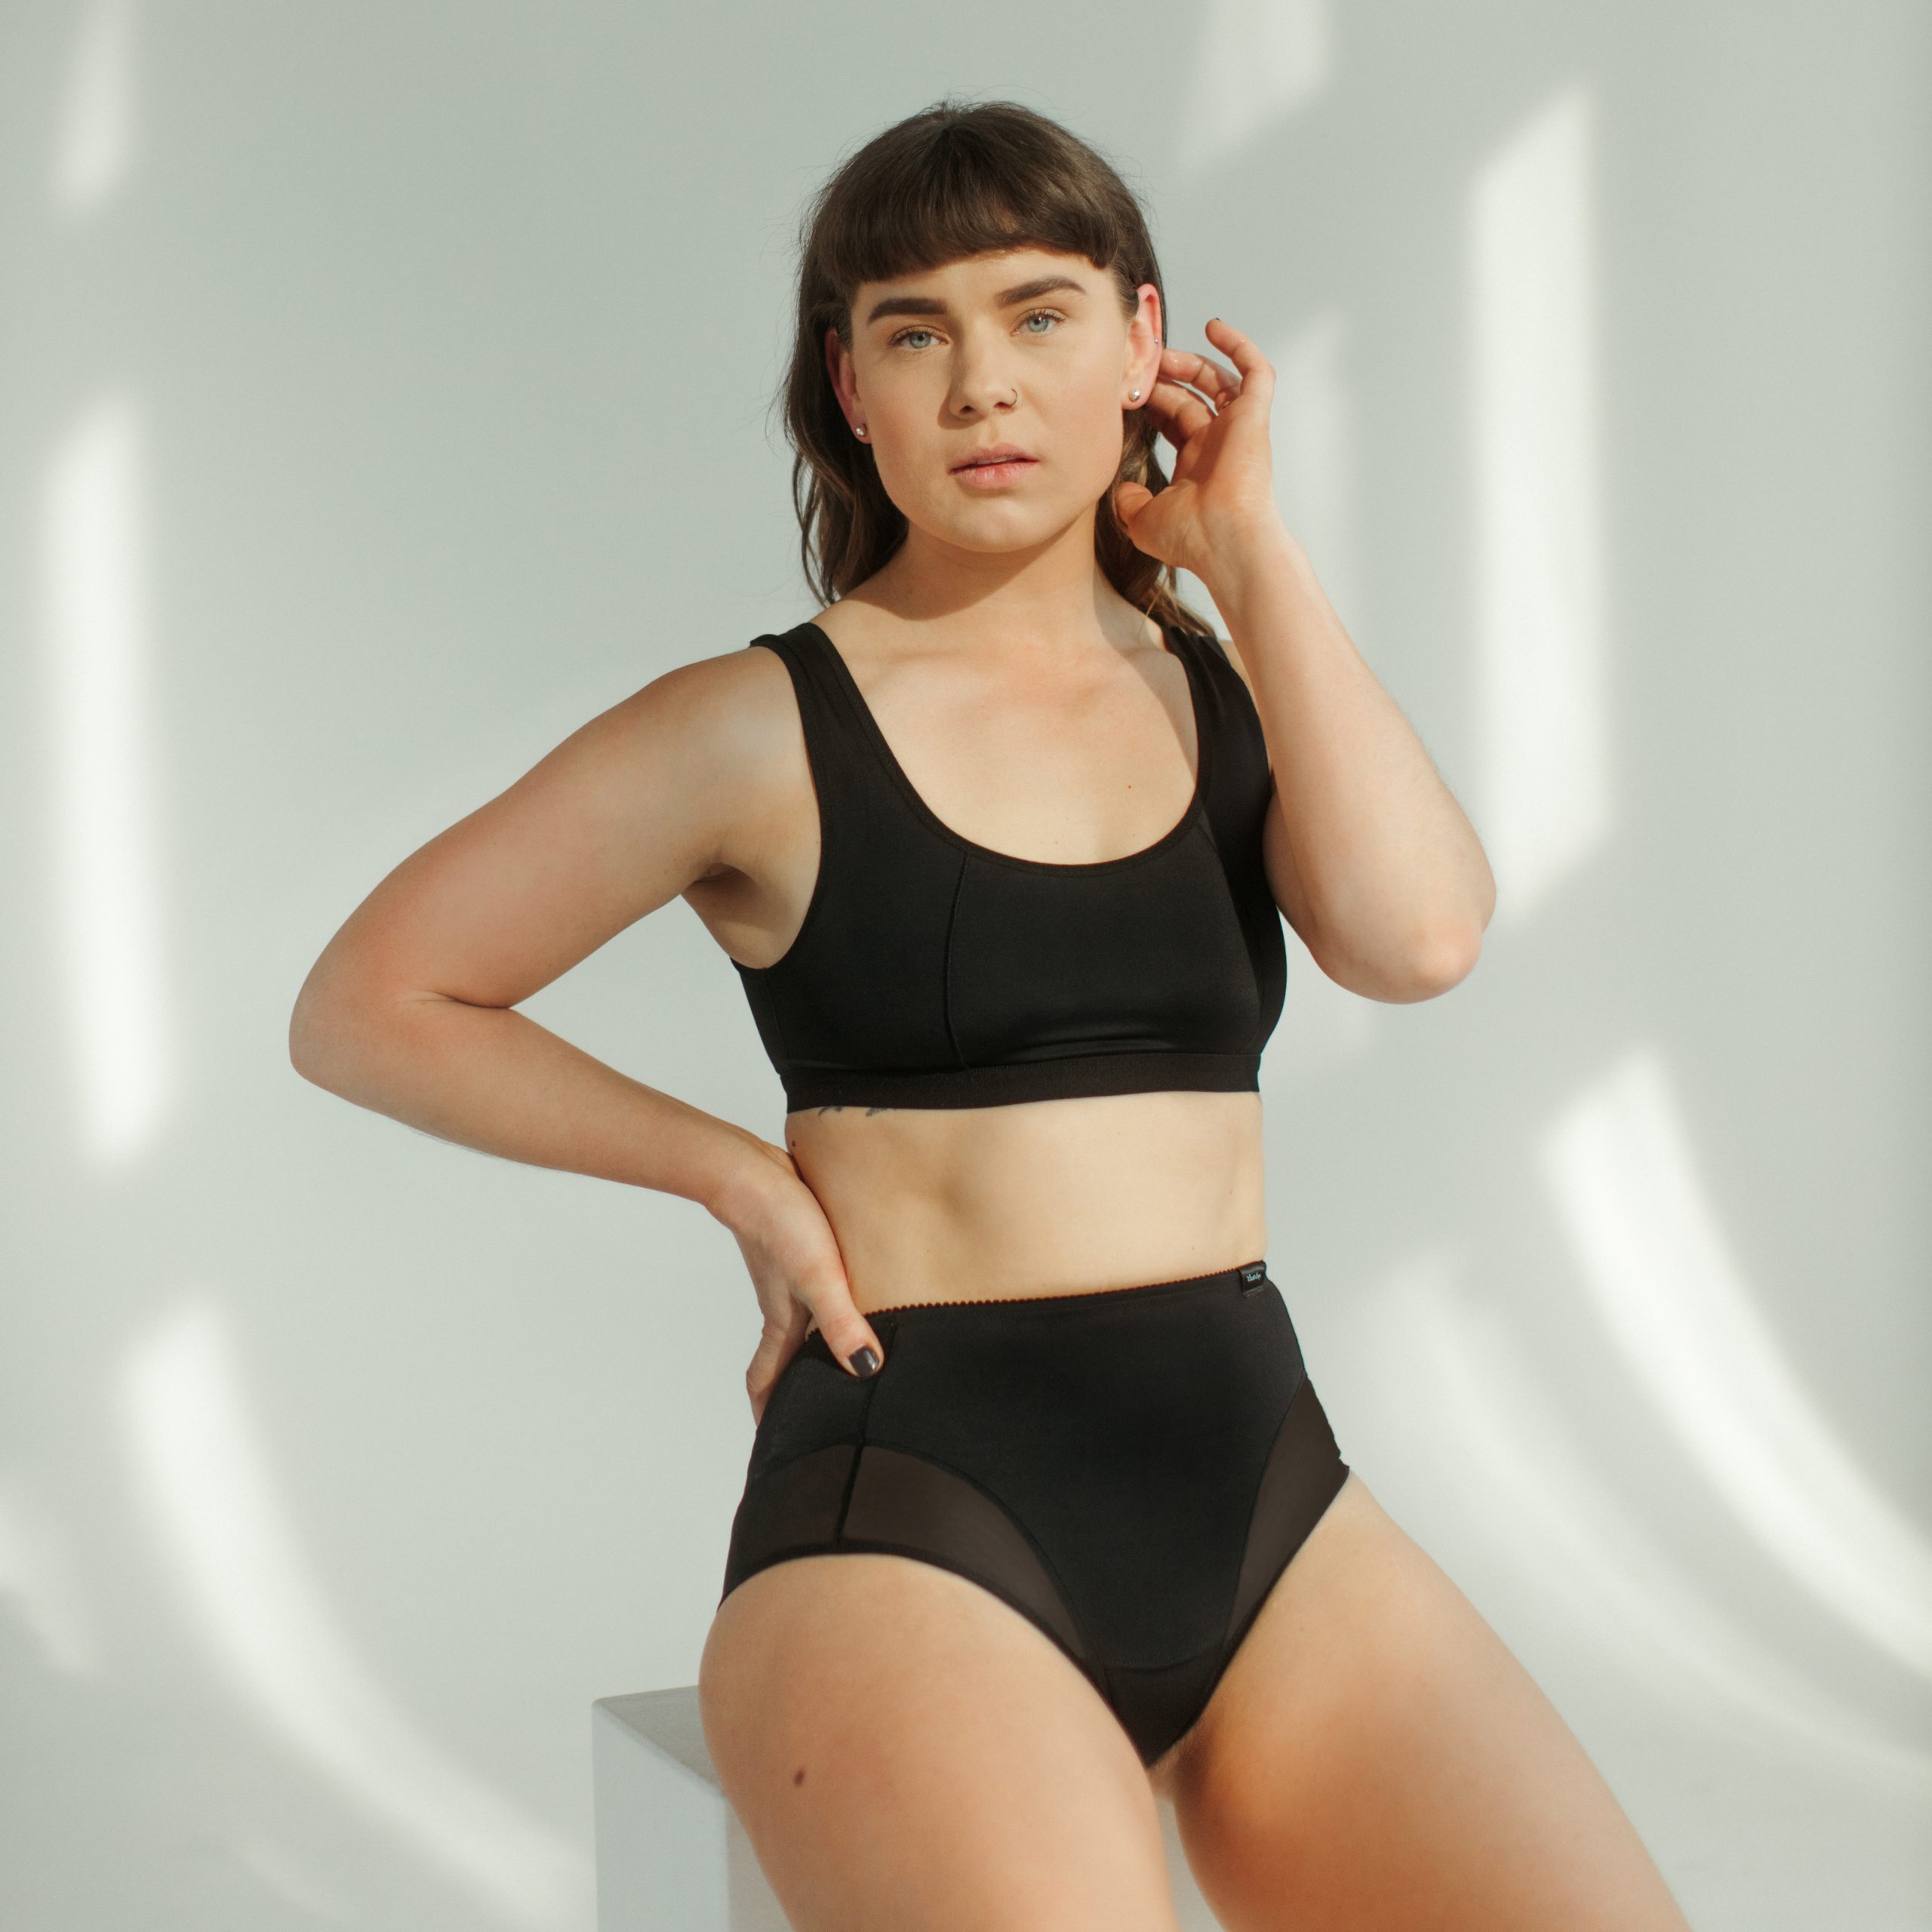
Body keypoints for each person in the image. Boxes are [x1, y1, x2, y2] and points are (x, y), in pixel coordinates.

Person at [291, 97, 1694, 1932]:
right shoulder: (755, 725)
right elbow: (371, 998)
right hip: (911, 1514)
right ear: (850, 386)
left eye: (1037, 314)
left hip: (1267, 1495)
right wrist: (738, 1176)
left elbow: (1417, 935)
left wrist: (1249, 554)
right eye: (914, 331)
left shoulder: (1227, 689)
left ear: (1139, 342)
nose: (980, 385)